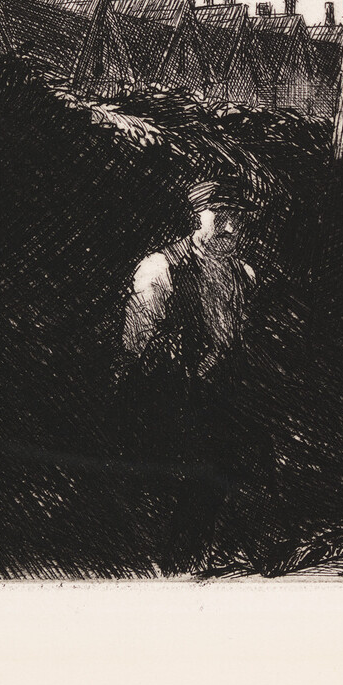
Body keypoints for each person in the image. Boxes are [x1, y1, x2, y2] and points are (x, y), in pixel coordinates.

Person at [117, 180, 265, 570]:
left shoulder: (244, 273)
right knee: (188, 482)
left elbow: (242, 335)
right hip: (176, 396)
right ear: (197, 216)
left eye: (239, 218)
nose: (233, 228)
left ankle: (208, 560)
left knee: (228, 474)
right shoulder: (161, 267)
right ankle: (176, 567)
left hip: (227, 396)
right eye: (223, 217)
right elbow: (137, 343)